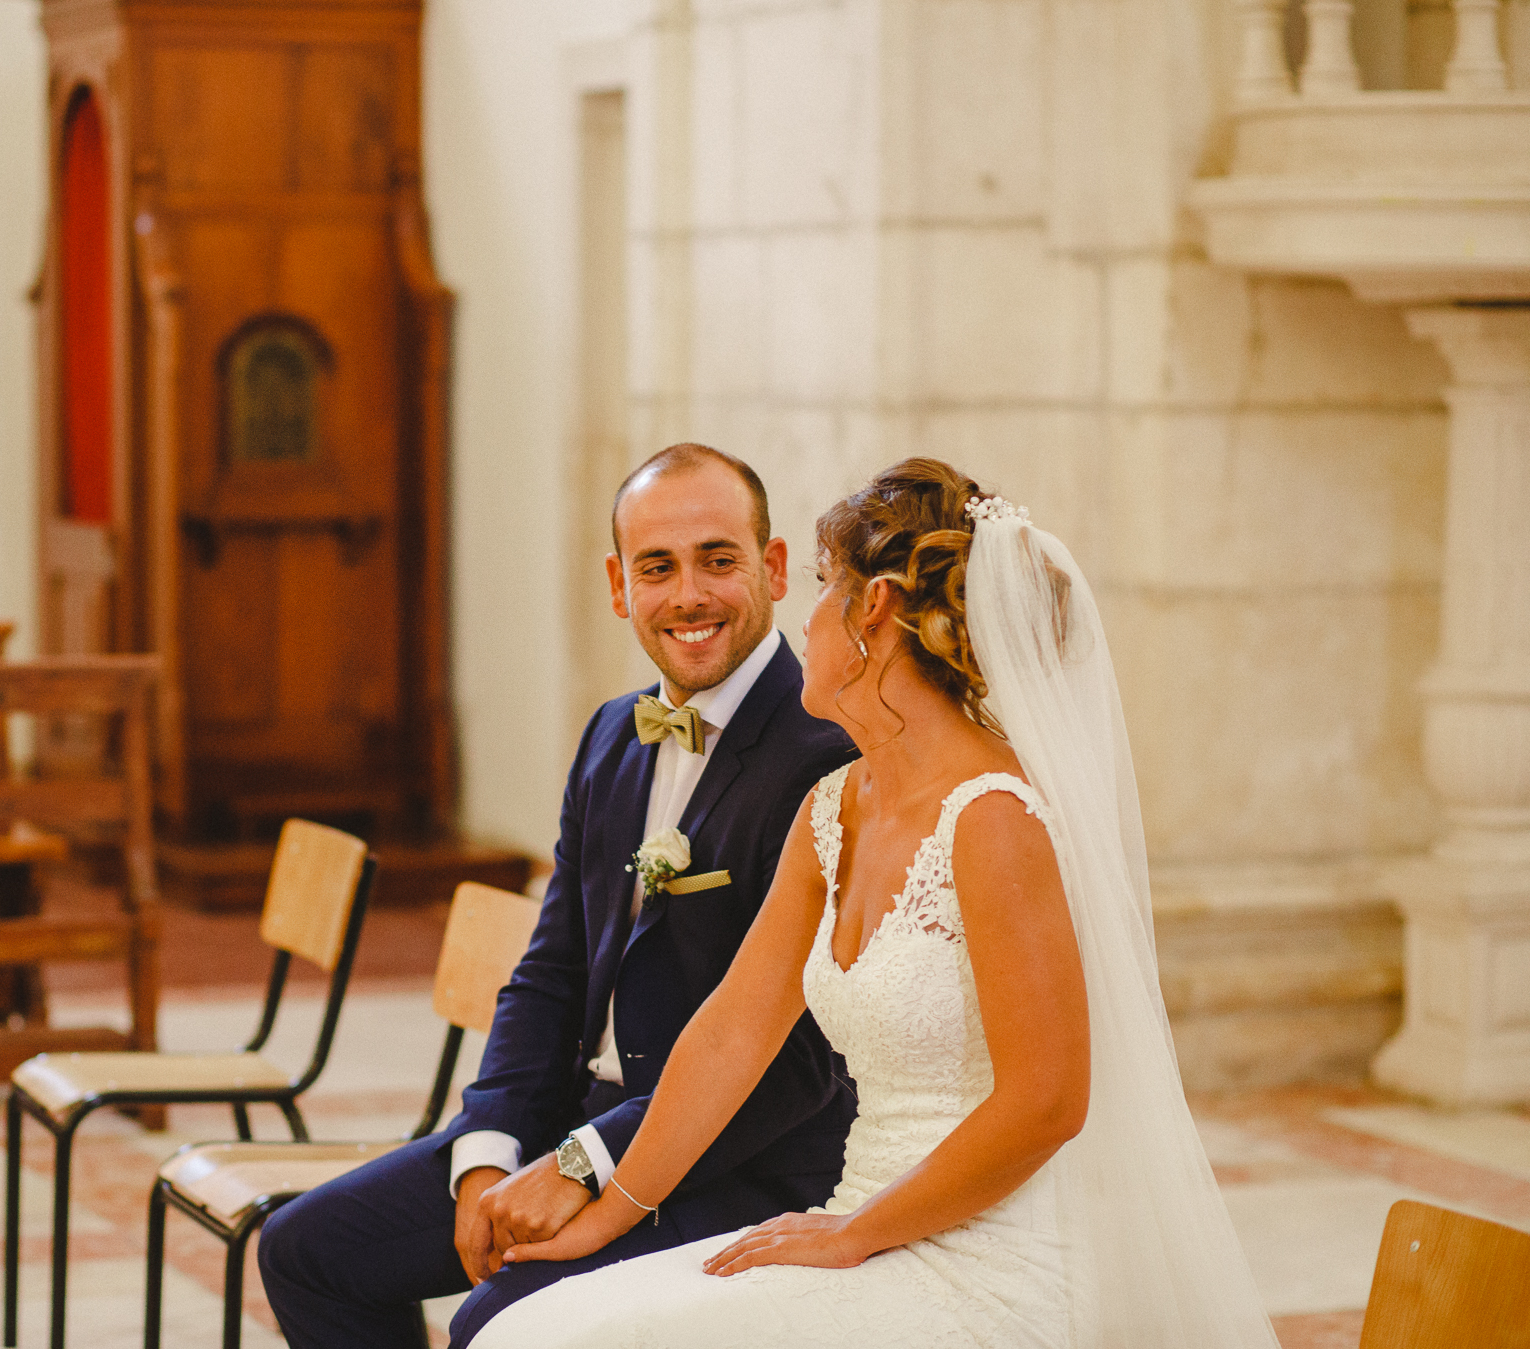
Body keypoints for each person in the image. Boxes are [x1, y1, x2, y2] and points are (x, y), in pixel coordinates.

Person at [472, 459, 1281, 1349]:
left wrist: (858, 1233)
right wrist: (609, 1211)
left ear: (875, 612)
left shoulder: (994, 818)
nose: (807, 620)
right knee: (531, 1320)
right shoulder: (836, 804)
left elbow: (1049, 1101)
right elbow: (732, 1029)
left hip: (985, 1264)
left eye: (824, 589)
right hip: (855, 1220)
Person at [256, 444, 859, 1348]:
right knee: (308, 1248)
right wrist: (487, 1148)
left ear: (772, 568)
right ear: (621, 586)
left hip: (738, 1160)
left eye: (718, 559)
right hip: (572, 1118)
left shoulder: (827, 751)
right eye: (658, 567)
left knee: (497, 1321)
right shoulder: (612, 735)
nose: (688, 595)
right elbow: (551, 969)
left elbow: (805, 1056)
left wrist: (586, 1164)